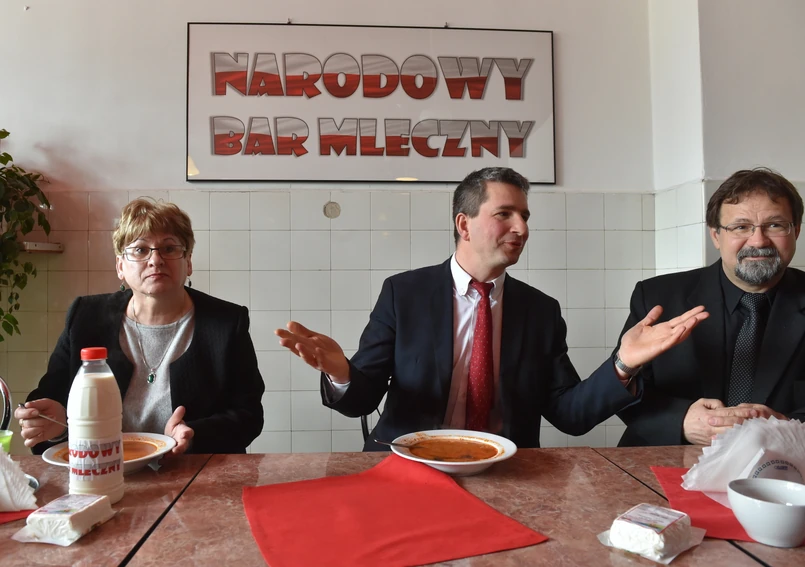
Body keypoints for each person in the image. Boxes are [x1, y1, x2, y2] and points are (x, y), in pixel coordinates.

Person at [276, 167, 708, 450]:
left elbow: (569, 415)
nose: (521, 228)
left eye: (525, 216)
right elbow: (362, 400)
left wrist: (623, 365)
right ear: (464, 224)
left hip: (505, 470)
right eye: (505, 214)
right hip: (409, 462)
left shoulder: (540, 311)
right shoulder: (403, 294)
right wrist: (342, 373)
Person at [15, 198, 264, 455]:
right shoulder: (86, 317)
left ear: (188, 262)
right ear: (120, 266)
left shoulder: (226, 322)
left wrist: (194, 435)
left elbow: (248, 415)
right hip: (101, 467)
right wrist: (53, 424)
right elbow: (52, 399)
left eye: (169, 248)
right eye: (140, 250)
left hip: (194, 470)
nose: (156, 260)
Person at [615, 167, 805, 447]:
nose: (758, 241)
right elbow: (620, 392)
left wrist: (787, 428)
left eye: (775, 225)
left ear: (796, 231)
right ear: (715, 235)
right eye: (741, 227)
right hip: (665, 459)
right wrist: (680, 421)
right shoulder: (658, 297)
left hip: (784, 463)